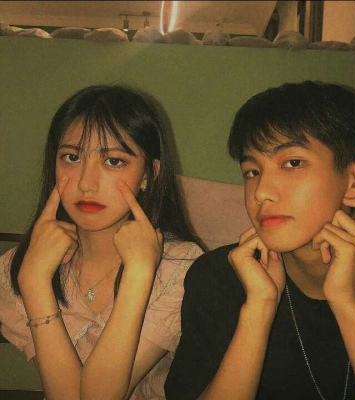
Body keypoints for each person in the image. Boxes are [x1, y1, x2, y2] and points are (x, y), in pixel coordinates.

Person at [165, 81, 355, 399]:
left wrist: (347, 303)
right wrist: (259, 308)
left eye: (293, 163)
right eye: (252, 171)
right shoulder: (220, 276)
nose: (261, 192)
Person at [0, 84, 203, 400]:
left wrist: (138, 273)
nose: (86, 183)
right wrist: (34, 281)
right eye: (72, 157)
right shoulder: (17, 267)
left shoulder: (181, 266)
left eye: (114, 161)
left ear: (149, 174)